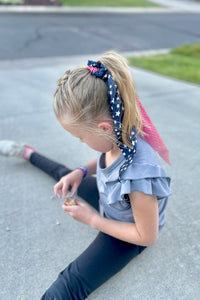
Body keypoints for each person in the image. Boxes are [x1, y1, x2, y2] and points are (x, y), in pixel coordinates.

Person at [0, 51, 171, 300]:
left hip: (127, 232)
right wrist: (81, 171)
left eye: (80, 137)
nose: (80, 141)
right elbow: (108, 158)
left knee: (69, 285)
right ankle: (28, 153)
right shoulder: (120, 132)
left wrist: (93, 220)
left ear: (103, 128)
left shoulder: (140, 177)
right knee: (66, 175)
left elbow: (147, 236)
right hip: (111, 199)